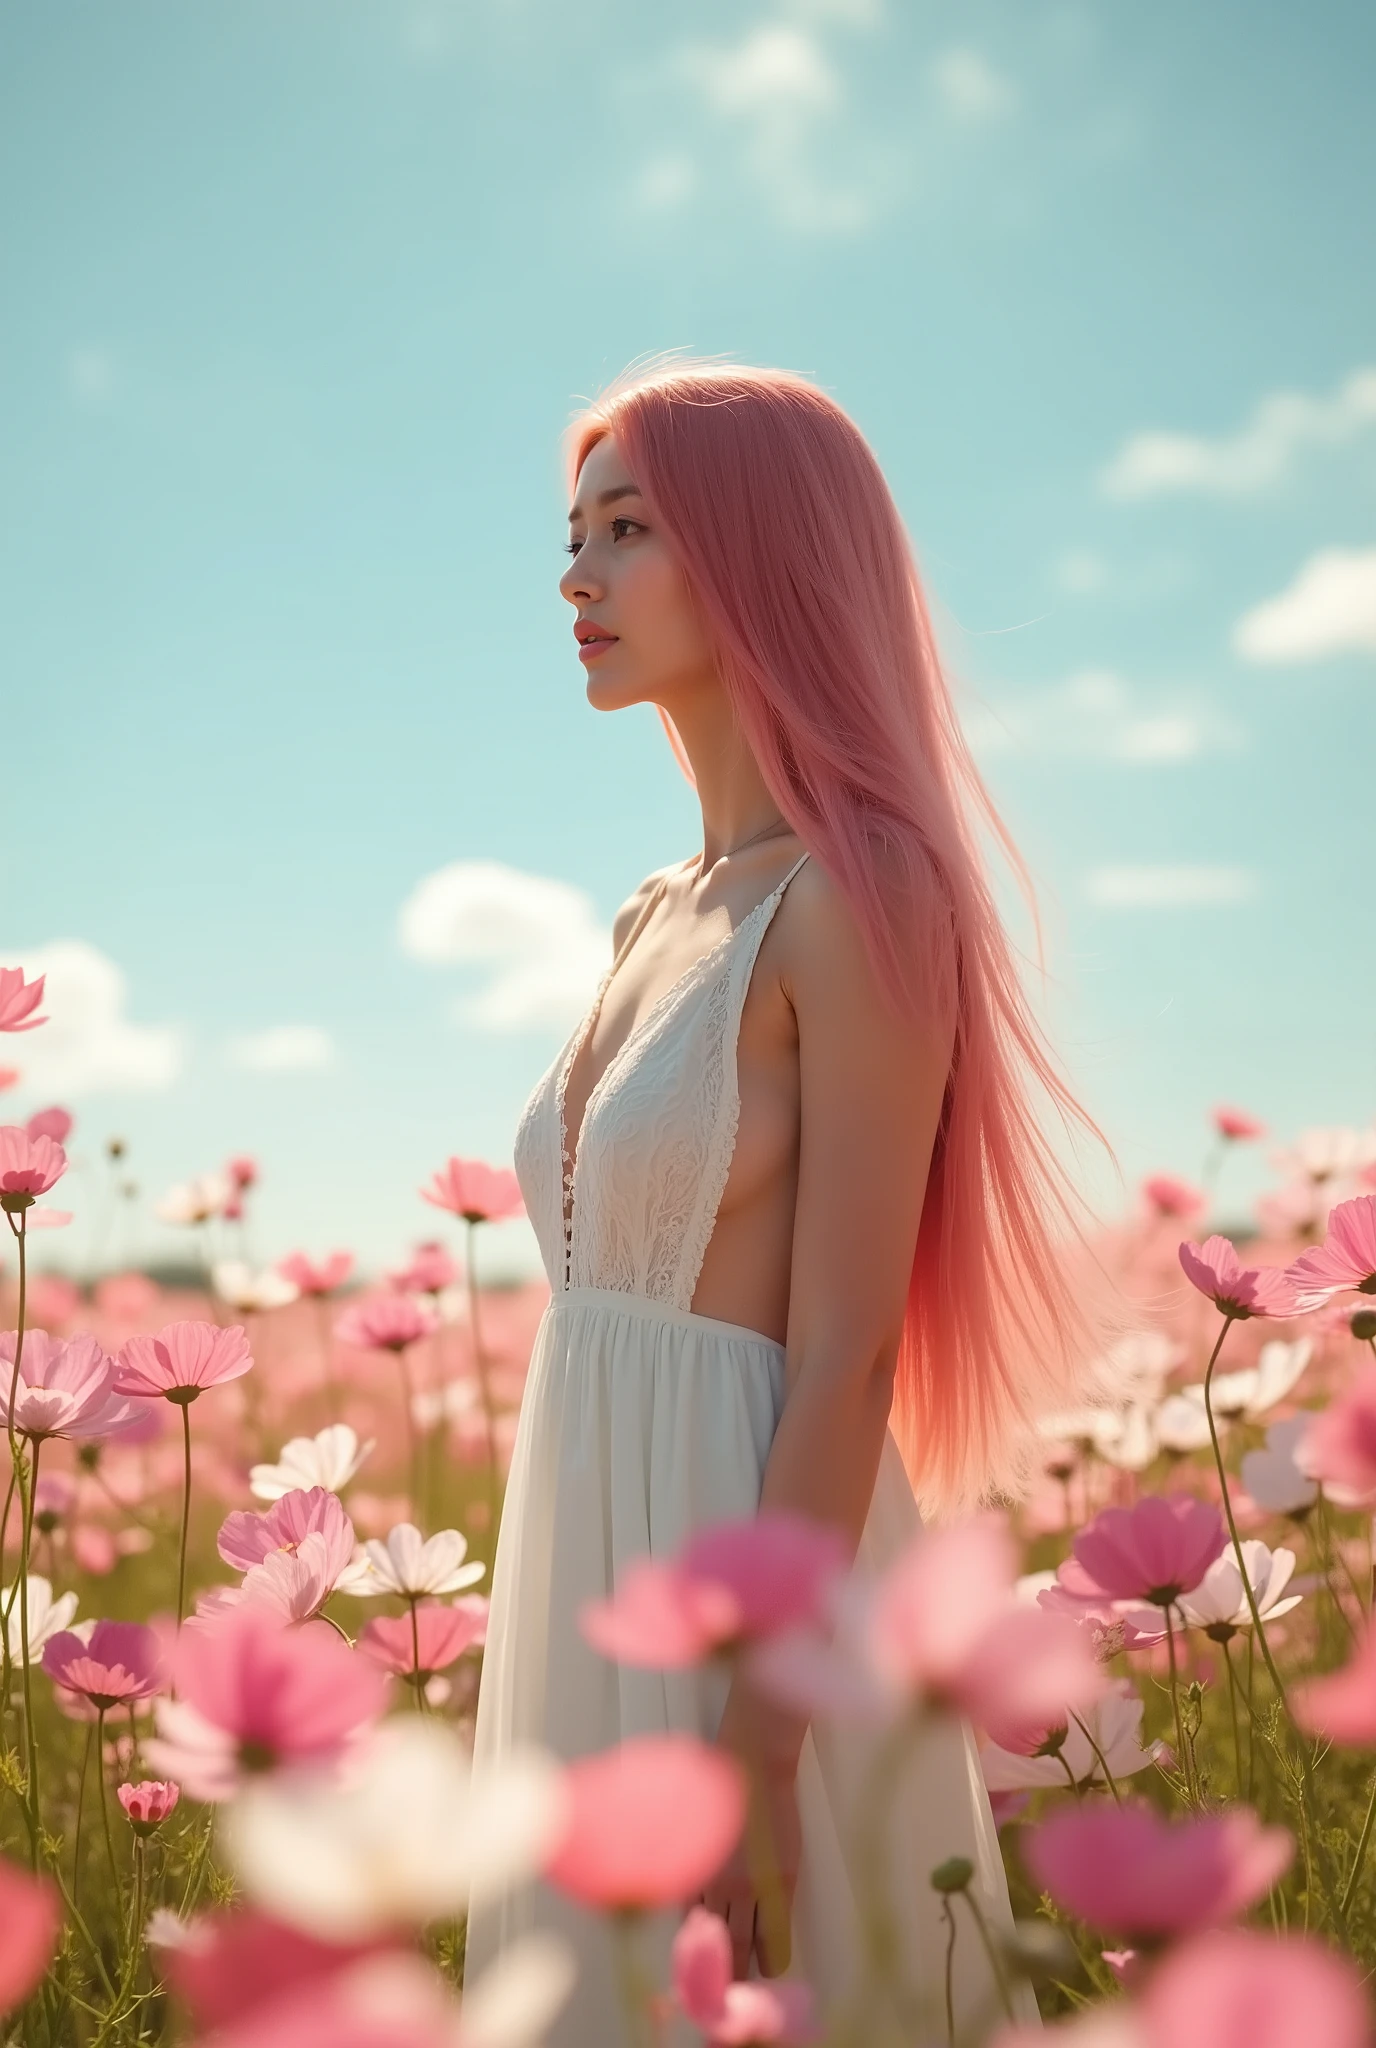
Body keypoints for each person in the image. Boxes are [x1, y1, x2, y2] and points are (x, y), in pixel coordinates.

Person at [463, 360, 1116, 2043]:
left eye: (629, 530)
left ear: (758, 554)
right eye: (575, 535)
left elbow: (844, 1352)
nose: (577, 576)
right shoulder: (651, 912)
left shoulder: (861, 890)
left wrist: (757, 1745)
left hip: (750, 1579)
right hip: (588, 1544)